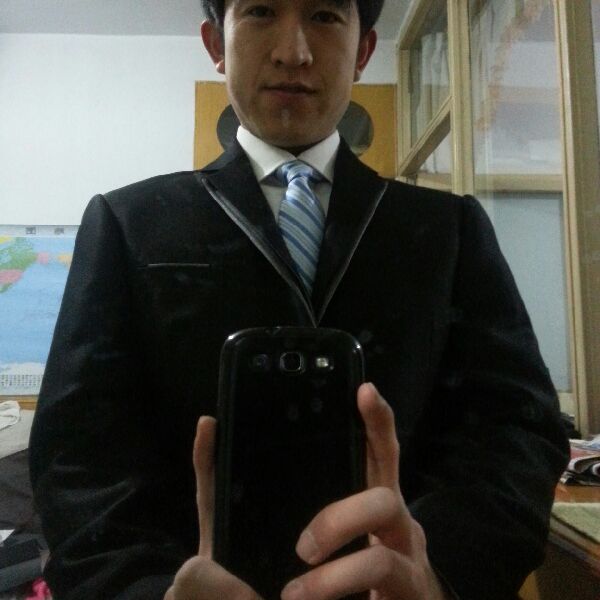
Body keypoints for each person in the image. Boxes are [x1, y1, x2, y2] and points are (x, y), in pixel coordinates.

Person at [29, 0, 569, 598]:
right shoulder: (129, 223)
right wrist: (147, 591)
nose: (294, 52)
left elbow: (515, 429)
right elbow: (78, 456)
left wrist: (439, 573)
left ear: (363, 51)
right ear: (216, 44)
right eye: (261, 11)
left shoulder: (448, 230)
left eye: (325, 16)